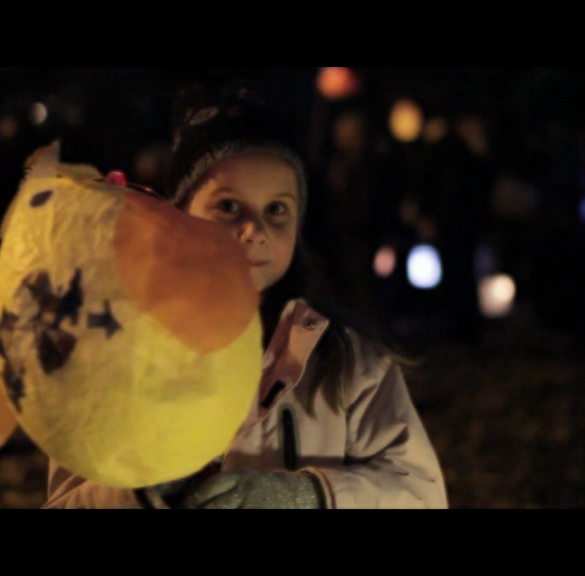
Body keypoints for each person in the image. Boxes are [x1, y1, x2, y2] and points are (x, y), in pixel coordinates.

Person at [43, 82, 448, 509]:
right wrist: (141, 491)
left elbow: (422, 493)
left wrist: (306, 496)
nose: (254, 229)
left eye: (276, 209)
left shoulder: (348, 362)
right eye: (229, 206)